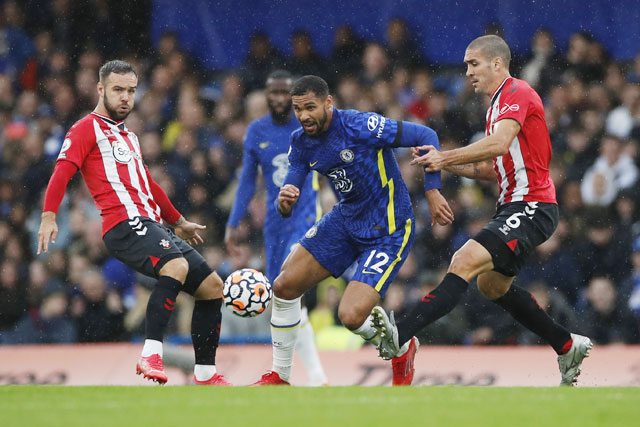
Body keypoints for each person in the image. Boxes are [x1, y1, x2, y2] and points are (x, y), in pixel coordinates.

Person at [371, 35, 593, 386]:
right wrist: (442, 165)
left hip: (533, 205)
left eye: (473, 63)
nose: (468, 72)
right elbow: (495, 168)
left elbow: (499, 145)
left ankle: (402, 334)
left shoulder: (516, 92)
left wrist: (445, 155)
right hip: (514, 206)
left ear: (496, 63)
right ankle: (566, 345)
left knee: (463, 260)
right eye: (466, 65)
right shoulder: (496, 107)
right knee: (492, 286)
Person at [36, 60, 230, 386]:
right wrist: (48, 215)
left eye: (131, 90)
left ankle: (205, 375)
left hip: (152, 224)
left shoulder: (129, 137)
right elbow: (62, 171)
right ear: (100, 89)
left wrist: (178, 221)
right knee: (176, 267)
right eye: (118, 90)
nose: (126, 97)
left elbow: (149, 186)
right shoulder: (86, 128)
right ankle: (151, 353)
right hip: (123, 225)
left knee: (213, 289)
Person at [251, 75, 453, 385]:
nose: (303, 115)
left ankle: (401, 347)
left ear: (328, 103)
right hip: (346, 220)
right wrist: (285, 200)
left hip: (389, 228)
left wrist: (433, 190)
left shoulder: (361, 126)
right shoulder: (301, 142)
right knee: (284, 285)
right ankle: (281, 374)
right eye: (297, 109)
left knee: (350, 316)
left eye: (310, 107)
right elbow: (292, 183)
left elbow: (426, 133)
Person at [225, 70, 328, 386]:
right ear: (267, 96)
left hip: (306, 215)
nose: (280, 99)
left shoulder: (307, 125)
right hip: (275, 222)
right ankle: (314, 377)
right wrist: (232, 222)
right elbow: (246, 181)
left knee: (289, 288)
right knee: (284, 299)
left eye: (286, 93)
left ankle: (306, 374)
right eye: (275, 93)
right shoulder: (257, 131)